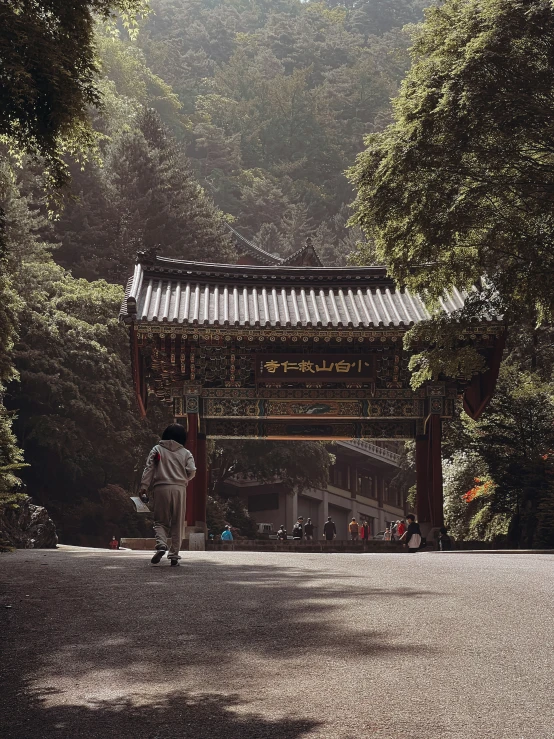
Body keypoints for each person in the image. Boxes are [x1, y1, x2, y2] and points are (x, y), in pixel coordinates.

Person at [139, 423, 196, 567]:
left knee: (160, 521)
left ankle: (161, 544)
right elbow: (192, 470)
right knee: (177, 523)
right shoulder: (186, 453)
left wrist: (144, 486)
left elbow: (149, 468)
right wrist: (184, 479)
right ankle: (174, 555)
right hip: (179, 488)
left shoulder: (157, 449)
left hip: (161, 487)